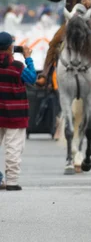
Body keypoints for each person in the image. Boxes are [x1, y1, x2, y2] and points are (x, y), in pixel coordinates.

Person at [0, 32, 36, 191]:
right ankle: (12, 181)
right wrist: (28, 58)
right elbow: (32, 78)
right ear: (10, 48)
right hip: (15, 115)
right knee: (13, 148)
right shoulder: (18, 67)